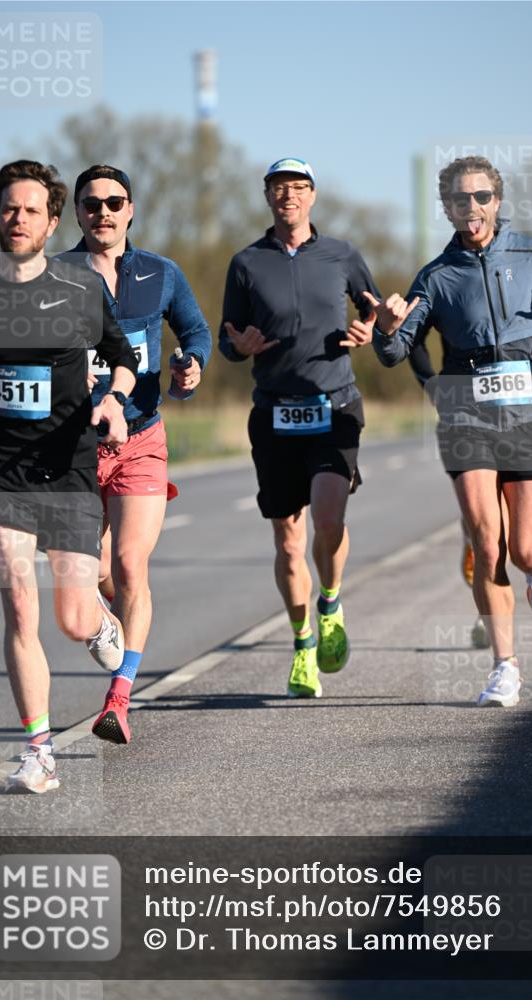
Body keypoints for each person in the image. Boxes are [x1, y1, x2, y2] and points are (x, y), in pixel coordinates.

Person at [370, 155, 532, 707]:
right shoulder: (435, 277)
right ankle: (505, 668)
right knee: (487, 543)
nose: (471, 208)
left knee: (525, 550)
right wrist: (386, 330)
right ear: (448, 208)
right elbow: (395, 351)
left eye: (481, 197)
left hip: (528, 416)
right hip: (465, 415)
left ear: (497, 202)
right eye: (459, 200)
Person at [0, 160, 138, 792]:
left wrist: (112, 401)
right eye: (8, 208)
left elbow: (123, 359)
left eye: (31, 210)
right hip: (2, 474)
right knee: (20, 610)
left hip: (68, 467)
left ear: (52, 221)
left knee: (72, 619)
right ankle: (39, 752)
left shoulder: (81, 288)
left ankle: (101, 626)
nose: (18, 218)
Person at [59, 164, 212, 745]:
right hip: (74, 444)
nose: (103, 212)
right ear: (76, 212)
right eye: (91, 203)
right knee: (93, 571)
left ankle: (119, 698)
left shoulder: (161, 273)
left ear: (131, 210)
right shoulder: (57, 275)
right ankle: (107, 624)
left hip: (142, 438)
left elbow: (196, 332)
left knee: (129, 565)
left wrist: (192, 365)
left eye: (114, 202)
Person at [219, 157, 380, 699]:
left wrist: (369, 329)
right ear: (267, 197)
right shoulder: (246, 262)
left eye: (298, 187)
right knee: (289, 543)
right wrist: (235, 347)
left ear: (312, 195)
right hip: (274, 411)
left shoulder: (342, 254)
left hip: (334, 406)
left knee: (328, 521)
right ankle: (303, 642)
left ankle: (330, 601)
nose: (289, 195)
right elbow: (227, 337)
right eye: (279, 187)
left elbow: (373, 308)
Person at [408, 339, 490, 649]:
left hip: (514, 417)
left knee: (509, 524)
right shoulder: (443, 287)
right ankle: (487, 614)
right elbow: (412, 334)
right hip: (461, 419)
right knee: (482, 524)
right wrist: (430, 382)